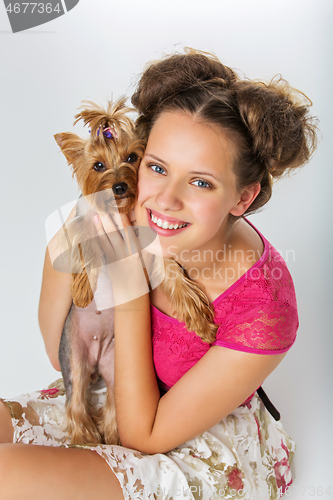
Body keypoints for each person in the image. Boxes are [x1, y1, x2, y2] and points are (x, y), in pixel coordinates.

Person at [0, 49, 317, 500]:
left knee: (6, 474)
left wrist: (130, 282)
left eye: (201, 182)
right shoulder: (132, 207)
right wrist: (68, 241)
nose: (165, 200)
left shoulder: (265, 306)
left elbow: (143, 437)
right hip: (110, 391)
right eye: (157, 167)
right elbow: (60, 354)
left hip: (191, 441)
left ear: (242, 199)